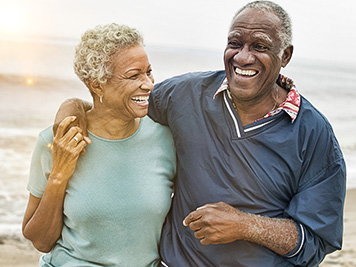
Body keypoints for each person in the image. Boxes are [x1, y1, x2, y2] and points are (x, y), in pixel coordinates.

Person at [53, 1, 346, 266]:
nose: (243, 57)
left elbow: (316, 241)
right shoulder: (185, 94)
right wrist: (72, 108)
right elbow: (119, 104)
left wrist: (245, 225)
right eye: (235, 43)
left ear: (285, 55)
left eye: (259, 46)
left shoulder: (314, 134)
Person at [22, 23, 176, 266]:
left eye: (148, 72)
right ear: (96, 84)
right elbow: (40, 241)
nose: (148, 84)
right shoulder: (56, 142)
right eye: (134, 75)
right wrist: (59, 175)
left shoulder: (166, 140)